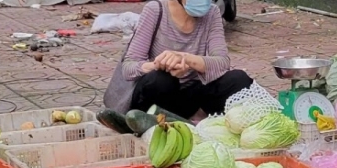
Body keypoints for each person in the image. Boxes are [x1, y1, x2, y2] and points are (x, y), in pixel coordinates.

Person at [99, 0, 253, 134]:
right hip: (158, 97)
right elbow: (129, 67)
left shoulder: (212, 13)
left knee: (238, 79)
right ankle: (146, 123)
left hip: (189, 99)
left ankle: (191, 123)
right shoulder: (155, 10)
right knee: (160, 80)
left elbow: (222, 62)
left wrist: (187, 60)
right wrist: (158, 64)